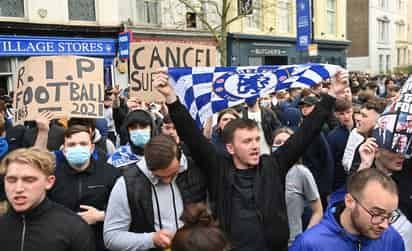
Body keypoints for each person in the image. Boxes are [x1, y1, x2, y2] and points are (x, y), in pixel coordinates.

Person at [153, 68, 348, 251]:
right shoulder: (218, 169)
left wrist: (331, 95)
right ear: (230, 147)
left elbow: (306, 133)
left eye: (256, 139)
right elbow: (191, 136)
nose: (255, 145)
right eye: (246, 141)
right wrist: (171, 97)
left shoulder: (273, 165)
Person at [103, 135, 207, 251]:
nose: (167, 181)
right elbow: (111, 237)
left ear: (180, 160)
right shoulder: (127, 185)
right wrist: (151, 239)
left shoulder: (195, 171)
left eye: (173, 174)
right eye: (159, 177)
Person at [0, 147, 95, 251]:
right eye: (11, 180)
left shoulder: (75, 228)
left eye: (29, 180)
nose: (18, 189)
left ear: (49, 182)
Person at [290, 168, 405, 251]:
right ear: (350, 201)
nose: (384, 225)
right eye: (377, 213)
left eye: (389, 216)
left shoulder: (392, 239)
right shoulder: (310, 244)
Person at [47, 125, 121, 251]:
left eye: (83, 144)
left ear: (91, 148)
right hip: (60, 243)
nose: (78, 148)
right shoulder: (52, 177)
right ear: (64, 150)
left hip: (99, 243)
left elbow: (125, 210)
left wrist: (101, 216)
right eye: (71, 145)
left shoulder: (110, 173)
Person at [272, 128, 323, 244]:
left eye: (287, 142)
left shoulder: (301, 172)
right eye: (278, 142)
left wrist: (305, 238)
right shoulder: (263, 173)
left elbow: (318, 211)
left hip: (293, 243)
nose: (282, 146)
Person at [327, 99, 355, 190]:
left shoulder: (362, 129)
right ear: (336, 115)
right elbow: (331, 163)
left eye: (348, 112)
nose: (346, 116)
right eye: (341, 114)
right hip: (341, 182)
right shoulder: (333, 136)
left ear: (352, 110)